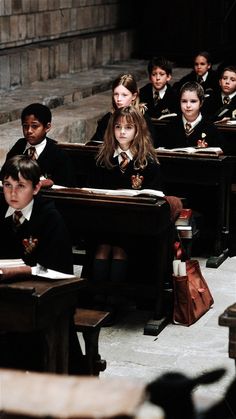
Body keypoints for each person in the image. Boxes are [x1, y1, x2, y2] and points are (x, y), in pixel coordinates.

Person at [85, 106, 182, 317]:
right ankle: (98, 298)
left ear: (138, 130)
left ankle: (114, 300)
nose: (122, 132)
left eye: (128, 127)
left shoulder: (148, 162)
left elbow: (157, 197)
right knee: (102, 249)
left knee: (119, 250)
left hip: (135, 226)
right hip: (105, 221)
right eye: (118, 127)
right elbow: (93, 190)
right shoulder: (103, 159)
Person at [0, 154, 74, 274]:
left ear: (36, 188)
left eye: (21, 186)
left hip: (38, 287)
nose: (13, 193)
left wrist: (25, 271)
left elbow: (58, 267)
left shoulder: (50, 218)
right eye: (8, 185)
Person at [0, 103, 76, 187]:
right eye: (25, 126)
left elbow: (66, 184)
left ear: (47, 127)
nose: (29, 131)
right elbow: (4, 174)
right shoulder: (20, 145)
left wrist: (49, 182)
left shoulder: (58, 153)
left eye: (34, 126)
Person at [89, 73, 156, 144]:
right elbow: (95, 144)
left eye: (124, 95)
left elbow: (149, 147)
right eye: (116, 94)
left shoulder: (143, 119)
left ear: (134, 96)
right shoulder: (107, 119)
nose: (119, 99)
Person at [161, 81, 223, 149]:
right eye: (184, 101)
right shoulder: (171, 126)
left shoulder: (210, 128)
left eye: (193, 101)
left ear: (201, 103)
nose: (188, 105)